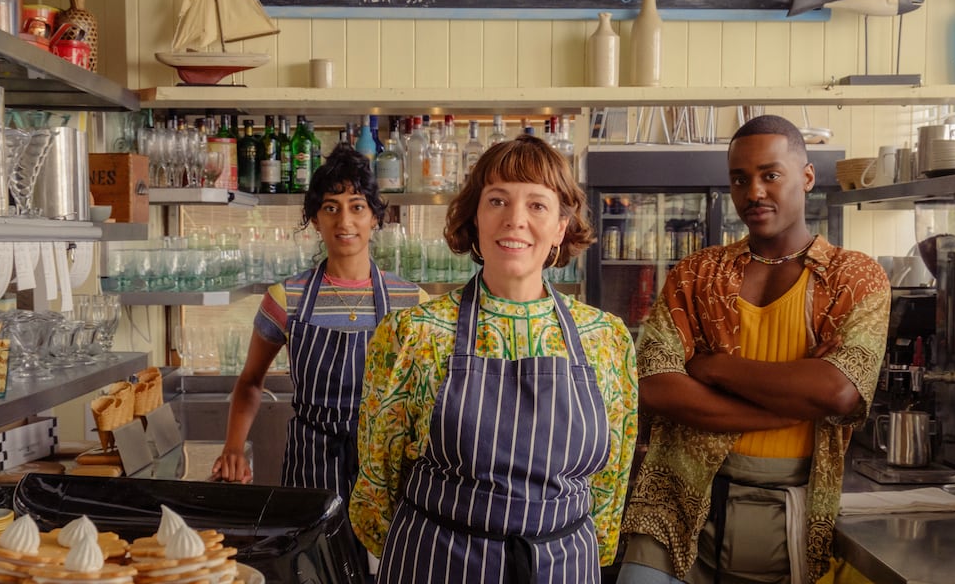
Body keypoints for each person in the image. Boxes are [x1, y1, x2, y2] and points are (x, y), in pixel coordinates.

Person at [350, 134, 639, 583]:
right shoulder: (413, 334)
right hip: (439, 561)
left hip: (561, 566)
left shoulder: (606, 339)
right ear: (476, 217)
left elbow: (610, 484)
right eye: (498, 200)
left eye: (537, 205)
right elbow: (375, 485)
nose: (515, 220)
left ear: (562, 226)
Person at [618, 115, 889, 584]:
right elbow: (657, 385)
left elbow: (838, 393)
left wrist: (714, 367)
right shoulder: (696, 274)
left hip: (790, 509)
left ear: (806, 178)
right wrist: (794, 405)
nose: (754, 192)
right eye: (740, 179)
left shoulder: (854, 277)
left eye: (770, 175)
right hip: (674, 498)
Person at [211, 143, 423, 493]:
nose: (345, 221)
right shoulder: (285, 299)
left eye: (357, 207)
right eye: (331, 208)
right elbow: (250, 382)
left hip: (387, 467)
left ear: (375, 217)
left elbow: (429, 394)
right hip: (312, 467)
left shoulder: (412, 301)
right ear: (315, 219)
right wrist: (233, 447)